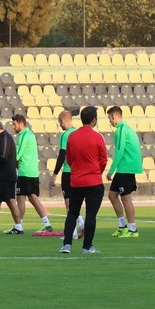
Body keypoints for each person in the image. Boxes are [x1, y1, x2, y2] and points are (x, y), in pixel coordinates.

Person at [59, 106, 107, 254]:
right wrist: (96, 172)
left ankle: (67, 244)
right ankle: (87, 247)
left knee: (72, 213)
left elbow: (70, 158)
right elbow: (103, 159)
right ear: (94, 120)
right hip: (93, 181)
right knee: (91, 215)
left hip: (76, 181)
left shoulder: (72, 136)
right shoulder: (98, 137)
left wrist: (77, 170)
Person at [105, 106, 143, 238]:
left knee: (126, 198)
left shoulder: (121, 130)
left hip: (126, 168)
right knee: (112, 195)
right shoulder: (127, 129)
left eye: (109, 118)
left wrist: (110, 171)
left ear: (114, 117)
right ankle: (122, 226)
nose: (110, 121)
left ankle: (133, 229)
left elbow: (119, 151)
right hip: (124, 168)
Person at [11, 114, 53, 233]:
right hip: (33, 171)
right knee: (33, 197)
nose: (13, 127)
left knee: (20, 198)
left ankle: (19, 225)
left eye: (14, 124)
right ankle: (46, 222)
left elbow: (18, 154)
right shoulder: (30, 134)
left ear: (20, 123)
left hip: (25, 171)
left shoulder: (23, 135)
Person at [50, 110, 84, 239]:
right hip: (78, 171)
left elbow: (62, 155)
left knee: (68, 202)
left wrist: (54, 174)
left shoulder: (66, 135)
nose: (60, 125)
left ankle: (73, 231)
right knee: (75, 201)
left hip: (68, 172)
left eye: (60, 123)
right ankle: (80, 224)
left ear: (63, 121)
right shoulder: (78, 132)